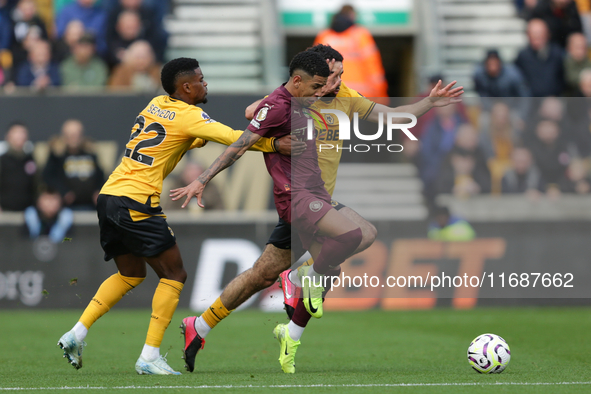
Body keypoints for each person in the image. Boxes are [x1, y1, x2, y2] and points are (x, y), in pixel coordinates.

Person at [175, 47, 463, 374]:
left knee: (266, 273)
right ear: (312, 76)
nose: (335, 82)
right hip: (300, 200)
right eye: (330, 75)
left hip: (318, 199)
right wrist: (269, 140)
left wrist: (428, 102)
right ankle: (295, 295)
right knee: (345, 247)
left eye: (340, 75)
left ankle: (201, 325)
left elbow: (390, 116)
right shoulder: (296, 99)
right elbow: (252, 114)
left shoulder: (345, 98)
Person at [56, 57, 301, 375]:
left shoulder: (157, 103)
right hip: (137, 201)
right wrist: (273, 143)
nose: (205, 83)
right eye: (201, 78)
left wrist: (196, 138)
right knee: (175, 275)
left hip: (110, 196)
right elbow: (232, 138)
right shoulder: (190, 115)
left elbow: (182, 136)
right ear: (186, 87)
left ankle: (76, 333)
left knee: (131, 275)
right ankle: (149, 356)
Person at [313, 4, 389, 103]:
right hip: (361, 96)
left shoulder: (324, 36)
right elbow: (373, 67)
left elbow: (314, 67)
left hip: (332, 95)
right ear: (352, 15)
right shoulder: (361, 35)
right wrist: (381, 95)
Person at [42, 119, 105, 210]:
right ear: (63, 135)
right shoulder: (57, 155)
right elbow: (48, 177)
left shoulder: (90, 153)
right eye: (70, 134)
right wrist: (63, 192)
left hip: (91, 205)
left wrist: (98, 191)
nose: (73, 137)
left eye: (76, 134)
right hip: (66, 207)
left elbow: (101, 176)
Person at [515, 18, 565, 97]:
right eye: (533, 33)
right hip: (530, 100)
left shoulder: (557, 54)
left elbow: (563, 80)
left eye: (539, 33)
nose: (536, 36)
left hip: (553, 99)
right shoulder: (522, 56)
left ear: (547, 34)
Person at [0, 121, 37, 212]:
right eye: (16, 132)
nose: (20, 136)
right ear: (8, 136)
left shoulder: (30, 159)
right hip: (4, 211)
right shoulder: (2, 160)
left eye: (23, 133)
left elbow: (36, 185)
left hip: (28, 212)